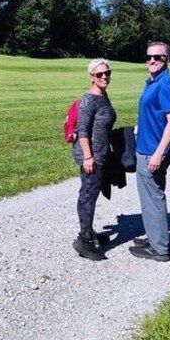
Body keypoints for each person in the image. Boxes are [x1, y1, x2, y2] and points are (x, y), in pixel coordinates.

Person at [129, 42, 170, 262]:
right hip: (145, 146)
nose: (152, 60)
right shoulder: (151, 81)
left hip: (153, 152)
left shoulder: (166, 84)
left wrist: (159, 154)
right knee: (148, 197)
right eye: (149, 56)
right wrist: (141, 125)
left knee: (154, 199)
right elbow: (153, 111)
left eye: (158, 57)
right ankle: (154, 237)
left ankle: (159, 249)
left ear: (167, 60)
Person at [71, 58, 117, 261]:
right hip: (91, 157)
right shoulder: (89, 100)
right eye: (99, 74)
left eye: (107, 73)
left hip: (99, 154)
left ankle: (89, 232)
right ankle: (84, 240)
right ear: (91, 77)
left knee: (92, 193)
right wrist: (88, 157)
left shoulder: (103, 96)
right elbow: (82, 131)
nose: (104, 76)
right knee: (88, 195)